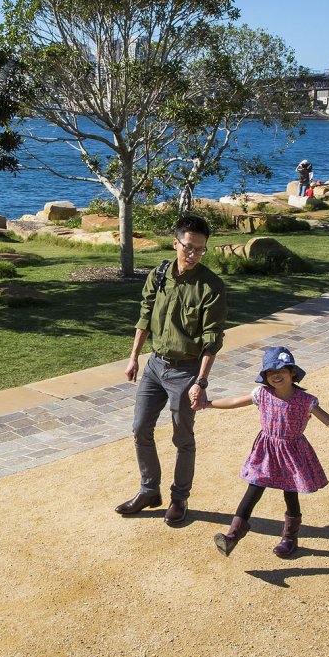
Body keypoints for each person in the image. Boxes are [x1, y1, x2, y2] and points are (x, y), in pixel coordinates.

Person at [115, 214, 227, 526]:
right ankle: (150, 490)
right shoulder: (159, 274)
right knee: (140, 429)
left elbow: (212, 339)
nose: (192, 255)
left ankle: (180, 498)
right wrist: (134, 357)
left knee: (183, 438)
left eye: (200, 250)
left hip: (187, 371)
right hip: (154, 366)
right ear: (175, 242)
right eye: (188, 247)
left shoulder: (211, 287)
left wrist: (200, 382)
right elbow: (145, 316)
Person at [205, 346, 329, 558]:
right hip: (265, 451)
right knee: (254, 488)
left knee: (290, 494)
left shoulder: (306, 401)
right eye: (270, 372)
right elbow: (233, 402)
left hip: (291, 452)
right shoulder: (261, 394)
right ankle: (232, 535)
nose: (276, 375)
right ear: (265, 376)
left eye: (282, 370)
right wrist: (208, 404)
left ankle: (290, 537)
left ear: (292, 372)